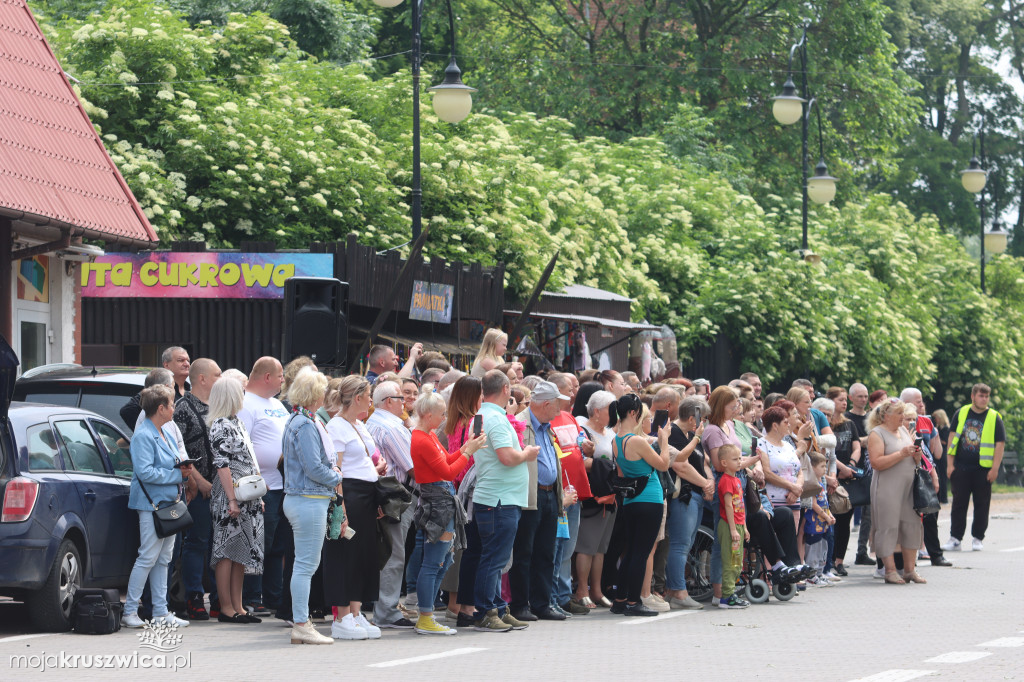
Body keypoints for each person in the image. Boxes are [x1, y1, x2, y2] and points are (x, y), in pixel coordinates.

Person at [409, 392, 488, 634]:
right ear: (428, 414)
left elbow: (446, 462)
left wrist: (466, 448)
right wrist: (467, 452)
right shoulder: (422, 439)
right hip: (438, 501)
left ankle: (428, 614)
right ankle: (425, 616)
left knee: (442, 562)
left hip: (442, 499)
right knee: (434, 562)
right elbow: (448, 471)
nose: (445, 418)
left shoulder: (429, 435)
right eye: (442, 413)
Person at [472, 370, 540, 632]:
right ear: (504, 390)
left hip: (495, 496)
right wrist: (527, 452)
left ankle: (497, 608)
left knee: (494, 557)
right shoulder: (496, 420)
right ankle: (487, 611)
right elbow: (507, 457)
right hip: (499, 499)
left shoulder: (481, 416)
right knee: (494, 558)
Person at [122, 385, 193, 629]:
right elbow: (145, 472)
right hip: (152, 504)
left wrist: (184, 469)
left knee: (163, 558)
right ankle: (130, 610)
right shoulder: (143, 435)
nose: (174, 408)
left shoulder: (166, 432)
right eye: (171, 404)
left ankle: (161, 612)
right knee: (148, 556)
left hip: (168, 502)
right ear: (160, 408)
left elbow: (171, 463)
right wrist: (177, 475)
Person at [281, 368, 343, 645]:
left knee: (304, 565)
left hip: (304, 498)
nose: (325, 396)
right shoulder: (305, 423)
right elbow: (314, 468)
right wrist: (339, 475)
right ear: (314, 395)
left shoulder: (300, 419)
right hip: (308, 498)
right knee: (306, 566)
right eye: (322, 391)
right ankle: (301, 624)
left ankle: (301, 623)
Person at [509, 380, 574, 622]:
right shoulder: (520, 422)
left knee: (546, 551)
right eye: (557, 405)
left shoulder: (546, 426)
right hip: (530, 494)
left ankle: (541, 603)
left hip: (548, 493)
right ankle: (520, 604)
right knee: (524, 552)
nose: (560, 411)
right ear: (546, 404)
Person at [325, 376, 383, 640]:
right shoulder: (337, 426)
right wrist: (341, 508)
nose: (371, 401)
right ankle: (342, 616)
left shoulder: (359, 424)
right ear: (358, 397)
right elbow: (336, 470)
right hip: (351, 494)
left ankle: (357, 613)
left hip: (368, 495)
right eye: (369, 395)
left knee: (363, 556)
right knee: (345, 555)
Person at [208, 377, 265, 623]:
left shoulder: (236, 421)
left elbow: (249, 458)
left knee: (241, 549)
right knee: (226, 550)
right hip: (230, 494)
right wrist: (232, 499)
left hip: (247, 494)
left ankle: (239, 606)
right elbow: (222, 464)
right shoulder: (220, 424)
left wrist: (257, 494)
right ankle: (226, 607)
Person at [609, 393, 670, 617]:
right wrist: (664, 441)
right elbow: (663, 464)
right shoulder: (635, 441)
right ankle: (634, 601)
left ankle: (620, 599)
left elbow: (623, 471)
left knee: (631, 551)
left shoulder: (616, 440)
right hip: (649, 498)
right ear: (633, 413)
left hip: (631, 500)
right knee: (640, 554)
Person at [238, 357, 289, 617]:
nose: (283, 379)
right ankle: (252, 595)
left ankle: (273, 596)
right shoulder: (245, 404)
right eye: (280, 374)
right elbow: (241, 445)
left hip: (283, 485)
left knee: (278, 545)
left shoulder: (278, 404)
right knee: (258, 543)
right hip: (262, 487)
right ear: (267, 376)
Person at [364, 380, 417, 630]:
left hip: (380, 495)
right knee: (395, 554)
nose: (404, 403)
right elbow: (412, 467)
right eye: (400, 398)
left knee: (386, 553)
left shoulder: (372, 423)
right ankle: (386, 611)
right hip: (395, 496)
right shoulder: (391, 427)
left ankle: (384, 607)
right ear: (389, 402)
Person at [173, 358, 221, 621]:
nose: (220, 379)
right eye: (217, 375)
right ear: (202, 379)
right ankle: (194, 597)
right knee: (197, 543)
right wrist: (198, 482)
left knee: (217, 545)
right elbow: (178, 452)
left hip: (219, 488)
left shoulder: (216, 407)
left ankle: (216, 598)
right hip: (197, 489)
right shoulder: (183, 407)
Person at [547, 374, 593, 617]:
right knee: (557, 547)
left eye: (574, 388)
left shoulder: (570, 417)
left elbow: (581, 444)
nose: (574, 393)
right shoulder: (546, 420)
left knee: (568, 547)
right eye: (569, 389)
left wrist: (588, 448)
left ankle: (563, 596)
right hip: (558, 493)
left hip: (575, 491)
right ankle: (555, 596)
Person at [942, 383, 1005, 553]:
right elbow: (952, 438)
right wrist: (950, 464)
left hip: (983, 469)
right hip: (961, 467)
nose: (984, 399)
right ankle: (955, 539)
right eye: (981, 396)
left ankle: (978, 538)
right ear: (973, 396)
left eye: (986, 396)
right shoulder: (961, 413)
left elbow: (1000, 444)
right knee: (958, 504)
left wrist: (995, 469)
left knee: (982, 504)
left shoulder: (994, 417)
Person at [867, 398, 924, 584]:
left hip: (908, 487)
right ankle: (889, 571)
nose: (903, 417)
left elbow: (913, 459)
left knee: (911, 525)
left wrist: (916, 454)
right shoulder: (877, 433)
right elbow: (876, 463)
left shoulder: (903, 430)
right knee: (888, 526)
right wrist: (901, 454)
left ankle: (909, 570)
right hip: (887, 488)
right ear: (886, 415)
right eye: (899, 413)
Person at [665, 396, 714, 610]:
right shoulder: (675, 434)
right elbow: (680, 465)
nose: (705, 422)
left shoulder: (692, 435)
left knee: (687, 543)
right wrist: (705, 483)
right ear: (693, 417)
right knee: (680, 544)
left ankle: (674, 589)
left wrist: (707, 483)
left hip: (696, 495)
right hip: (683, 496)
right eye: (703, 418)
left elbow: (702, 462)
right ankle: (679, 591)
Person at [572, 387, 617, 609]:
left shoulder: (610, 432)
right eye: (611, 409)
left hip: (610, 495)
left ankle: (597, 590)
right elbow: (580, 461)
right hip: (593, 496)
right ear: (597, 411)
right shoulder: (582, 431)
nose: (615, 413)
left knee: (601, 547)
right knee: (587, 545)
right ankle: (582, 589)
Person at [900, 388, 950, 567]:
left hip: (924, 473)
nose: (921, 404)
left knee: (930, 513)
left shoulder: (927, 422)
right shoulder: (896, 425)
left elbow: (934, 454)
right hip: (903, 474)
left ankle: (935, 554)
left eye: (922, 401)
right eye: (916, 401)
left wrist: (934, 432)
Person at [824, 387, 860, 576]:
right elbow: (828, 451)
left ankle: (839, 560)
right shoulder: (827, 424)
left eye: (846, 400)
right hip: (832, 475)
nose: (844, 403)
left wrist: (851, 465)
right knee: (831, 520)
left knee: (845, 519)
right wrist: (841, 468)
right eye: (840, 400)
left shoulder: (849, 424)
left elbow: (856, 446)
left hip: (848, 476)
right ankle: (827, 560)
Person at [716, 444, 749, 609]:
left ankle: (731, 593)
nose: (739, 462)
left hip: (738, 526)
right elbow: (728, 506)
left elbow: (740, 507)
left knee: (737, 562)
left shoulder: (736, 480)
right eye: (734, 459)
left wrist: (744, 527)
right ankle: (727, 597)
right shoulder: (726, 481)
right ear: (724, 463)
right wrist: (733, 529)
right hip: (730, 526)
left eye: (740, 459)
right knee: (730, 562)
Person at [803, 451, 835, 586]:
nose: (824, 469)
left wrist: (830, 515)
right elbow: (814, 504)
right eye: (822, 466)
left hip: (824, 523)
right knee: (814, 548)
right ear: (812, 467)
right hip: (814, 522)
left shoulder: (821, 483)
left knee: (823, 547)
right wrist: (826, 516)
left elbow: (825, 502)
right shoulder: (812, 484)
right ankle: (811, 574)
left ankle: (819, 573)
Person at [932, 409, 951, 503]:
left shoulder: (947, 428)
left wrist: (938, 439)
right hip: (938, 453)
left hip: (943, 453)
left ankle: (944, 497)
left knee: (943, 476)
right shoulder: (937, 428)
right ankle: (938, 497)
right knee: (938, 475)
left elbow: (947, 441)